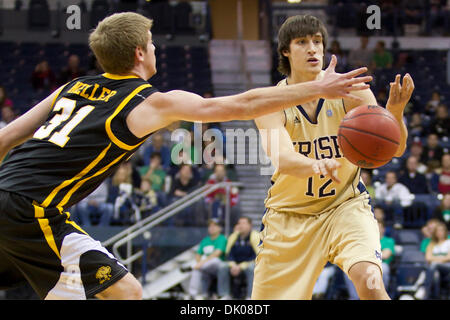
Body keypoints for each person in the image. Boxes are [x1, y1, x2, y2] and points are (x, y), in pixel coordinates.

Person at [0, 12, 372, 300]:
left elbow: (6, 138)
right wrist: (315, 88)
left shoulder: (72, 87)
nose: (157, 49)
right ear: (140, 53)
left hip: (16, 199)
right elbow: (243, 104)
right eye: (152, 43)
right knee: (108, 292)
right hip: (31, 210)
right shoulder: (147, 102)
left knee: (121, 290)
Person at [253, 14, 414, 300]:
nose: (313, 48)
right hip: (290, 217)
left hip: (345, 205)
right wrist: (315, 164)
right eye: (302, 42)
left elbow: (395, 149)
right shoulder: (270, 102)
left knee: (371, 280)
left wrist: (395, 114)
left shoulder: (352, 90)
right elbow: (284, 159)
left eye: (317, 41)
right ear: (286, 51)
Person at [217, 216, 259, 300]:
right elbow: (229, 254)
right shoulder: (234, 237)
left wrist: (241, 266)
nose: (241, 225)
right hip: (235, 265)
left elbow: (257, 256)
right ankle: (224, 295)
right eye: (239, 223)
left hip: (249, 263)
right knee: (222, 266)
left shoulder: (256, 236)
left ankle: (250, 296)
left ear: (250, 225)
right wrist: (233, 265)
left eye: (244, 223)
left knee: (252, 268)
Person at [187, 219, 227, 299]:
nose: (211, 228)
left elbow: (217, 254)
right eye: (210, 226)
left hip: (218, 265)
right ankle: (193, 294)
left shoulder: (222, 238)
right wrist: (199, 263)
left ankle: (192, 267)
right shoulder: (205, 240)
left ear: (220, 228)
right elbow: (198, 255)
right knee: (197, 270)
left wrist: (200, 264)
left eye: (214, 226)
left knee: (212, 262)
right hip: (206, 266)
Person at [424, 221, 450, 299]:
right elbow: (428, 258)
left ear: (445, 232)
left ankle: (426, 293)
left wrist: (435, 259)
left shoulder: (449, 242)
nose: (440, 232)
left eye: (442, 230)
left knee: (434, 265)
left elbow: (448, 258)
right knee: (436, 275)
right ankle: (436, 297)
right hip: (435, 269)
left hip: (447, 268)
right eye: (438, 230)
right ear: (435, 232)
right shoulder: (431, 244)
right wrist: (442, 258)